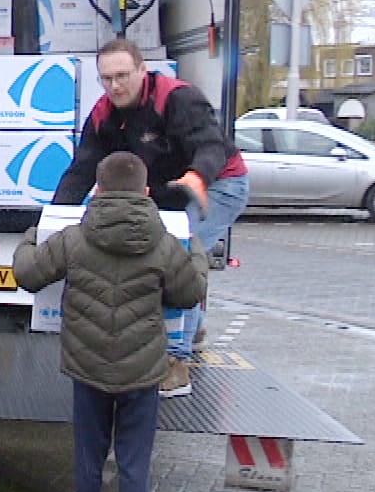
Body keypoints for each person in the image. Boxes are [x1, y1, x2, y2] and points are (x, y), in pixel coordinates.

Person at [17, 152, 207, 492]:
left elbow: (27, 274)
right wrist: (193, 247)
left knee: (88, 458)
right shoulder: (162, 241)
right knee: (134, 464)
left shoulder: (75, 238)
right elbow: (189, 292)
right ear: (145, 192)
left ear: (96, 191)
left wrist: (31, 235)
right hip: (142, 373)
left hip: (88, 369)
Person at [52, 39, 249, 397]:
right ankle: (196, 326)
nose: (115, 85)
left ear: (143, 71)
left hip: (218, 185)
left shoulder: (178, 99)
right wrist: (52, 219)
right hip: (167, 194)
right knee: (160, 257)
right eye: (107, 78)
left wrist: (198, 176)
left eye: (123, 76)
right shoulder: (103, 114)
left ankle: (176, 363)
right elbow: (82, 170)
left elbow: (211, 146)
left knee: (175, 261)